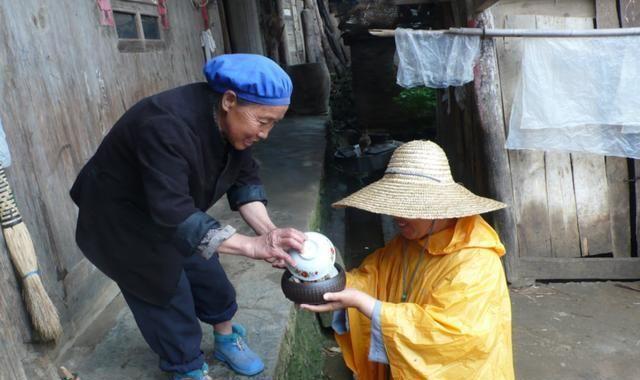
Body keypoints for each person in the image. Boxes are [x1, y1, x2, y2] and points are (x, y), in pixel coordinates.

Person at [70, 54, 306, 380]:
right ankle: (187, 367)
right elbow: (174, 213)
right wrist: (251, 247)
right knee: (165, 293)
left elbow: (245, 181)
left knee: (209, 275)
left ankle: (226, 338)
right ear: (229, 100)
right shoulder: (164, 125)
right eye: (263, 122)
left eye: (273, 124)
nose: (265, 134)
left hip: (170, 209)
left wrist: (270, 234)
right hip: (119, 221)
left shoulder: (234, 124)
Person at [302, 140, 515, 379]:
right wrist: (321, 276)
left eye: (407, 208)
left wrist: (368, 305)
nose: (397, 217)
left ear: (439, 206)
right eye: (394, 205)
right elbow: (373, 277)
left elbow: (450, 338)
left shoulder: (476, 261)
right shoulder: (409, 241)